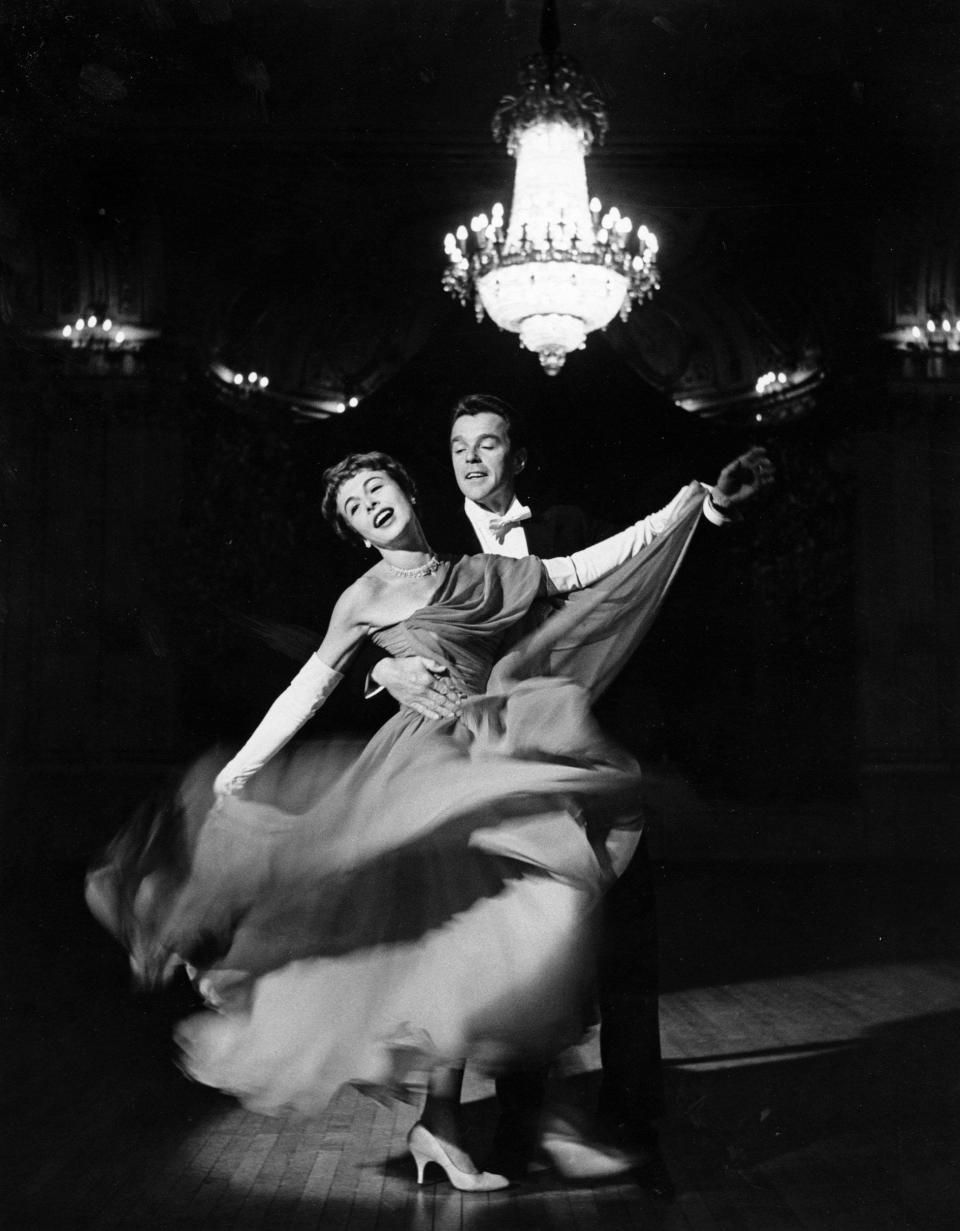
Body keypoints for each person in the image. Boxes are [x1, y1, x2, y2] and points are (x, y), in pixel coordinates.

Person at [86, 445, 768, 1193]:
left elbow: (586, 568)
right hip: (420, 769)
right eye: (354, 506)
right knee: (447, 927)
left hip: (486, 756)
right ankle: (497, 1123)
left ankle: (446, 1126)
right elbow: (305, 690)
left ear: (407, 492)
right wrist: (238, 772)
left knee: (484, 932)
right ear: (355, 531)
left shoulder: (480, 573)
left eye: (377, 487)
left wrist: (686, 502)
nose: (371, 504)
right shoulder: (362, 597)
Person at [362, 395, 772, 1186]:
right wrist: (385, 668)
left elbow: (642, 566)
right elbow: (372, 633)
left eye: (489, 445)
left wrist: (709, 510)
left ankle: (631, 1111)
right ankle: (523, 1116)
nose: (473, 460)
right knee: (512, 943)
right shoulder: (430, 549)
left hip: (584, 759)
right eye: (458, 447)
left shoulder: (567, 527)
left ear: (518, 457)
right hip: (489, 781)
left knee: (620, 938)